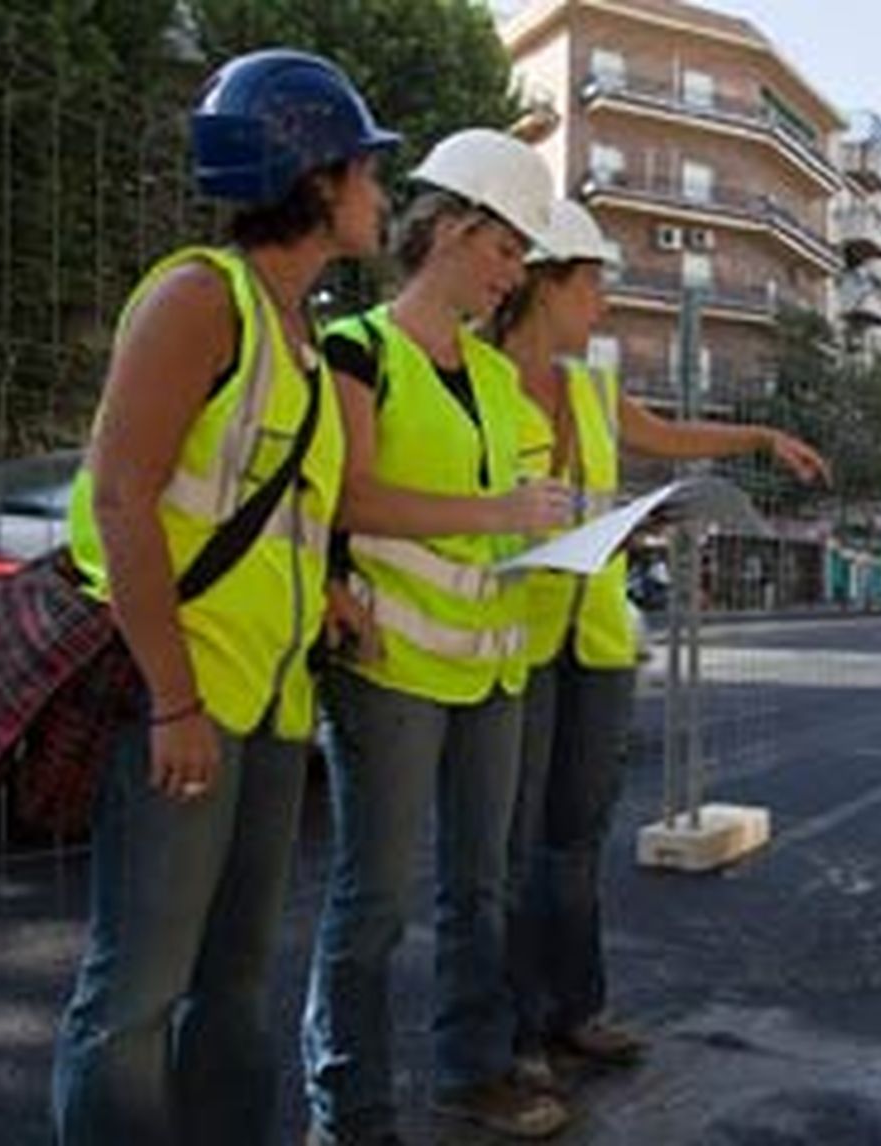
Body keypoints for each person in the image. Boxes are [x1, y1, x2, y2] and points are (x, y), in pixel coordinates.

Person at [50, 50, 398, 1146]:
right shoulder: (201, 297)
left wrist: (327, 599)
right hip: (186, 701)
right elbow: (122, 497)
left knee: (235, 983)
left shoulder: (297, 334)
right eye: (368, 172)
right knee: (136, 998)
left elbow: (268, 513)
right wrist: (173, 701)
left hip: (265, 702)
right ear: (315, 176)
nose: (381, 196)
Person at [492, 201, 827, 1087]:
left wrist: (758, 437)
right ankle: (516, 1034)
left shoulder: (593, 390)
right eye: (592, 281)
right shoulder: (476, 381)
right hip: (510, 639)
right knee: (515, 846)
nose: (604, 299)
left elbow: (669, 440)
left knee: (575, 838)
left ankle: (578, 1011)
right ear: (543, 283)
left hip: (594, 639)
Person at [299, 130, 573, 1145]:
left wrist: (581, 526)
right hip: (391, 667)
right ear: (452, 230)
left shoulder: (499, 383)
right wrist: (505, 514)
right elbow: (354, 495)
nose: (514, 276)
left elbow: (516, 506)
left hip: (490, 662)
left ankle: (471, 1072)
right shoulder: (358, 348)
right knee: (370, 905)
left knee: (477, 890)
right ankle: (350, 1114)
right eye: (506, 251)